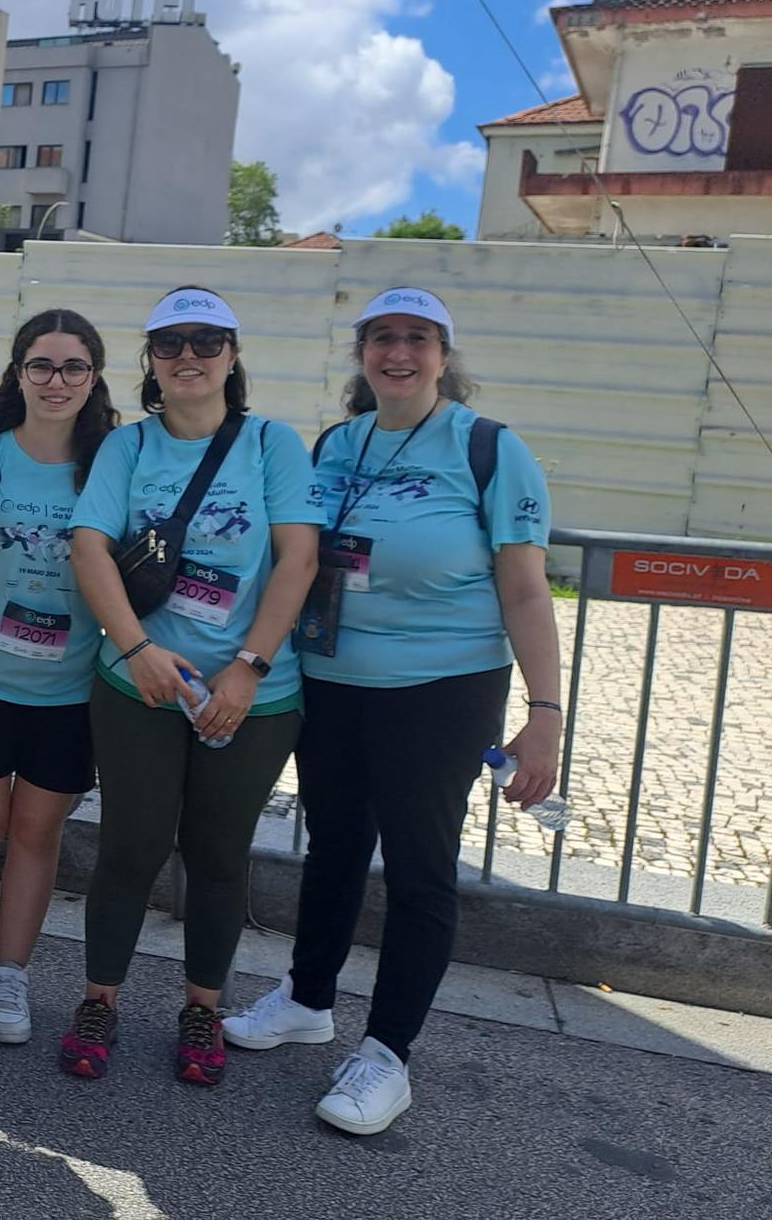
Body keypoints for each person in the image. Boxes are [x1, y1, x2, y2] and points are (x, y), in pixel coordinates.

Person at [222, 286, 560, 1136]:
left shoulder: (488, 448)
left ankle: (388, 1053)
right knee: (334, 848)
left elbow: (525, 588)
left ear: (444, 355)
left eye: (416, 339)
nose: (397, 354)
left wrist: (546, 709)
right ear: (361, 353)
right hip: (334, 681)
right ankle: (307, 998)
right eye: (381, 338)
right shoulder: (338, 442)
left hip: (442, 691)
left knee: (418, 868)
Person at [58, 286, 322, 1087]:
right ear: (151, 362)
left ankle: (202, 1007)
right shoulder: (127, 449)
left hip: (254, 694)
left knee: (216, 853)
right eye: (171, 344)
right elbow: (89, 547)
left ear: (232, 357)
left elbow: (298, 559)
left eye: (207, 342)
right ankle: (99, 999)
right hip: (140, 684)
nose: (189, 357)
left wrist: (248, 667)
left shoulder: (273, 445)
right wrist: (134, 648)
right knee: (131, 848)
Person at [0, 310, 117, 1046]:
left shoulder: (109, 467)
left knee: (37, 835)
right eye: (41, 365)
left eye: (74, 367)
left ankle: (11, 975)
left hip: (69, 693)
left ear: (94, 379)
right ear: (18, 373)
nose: (56, 380)